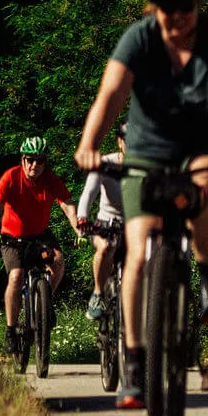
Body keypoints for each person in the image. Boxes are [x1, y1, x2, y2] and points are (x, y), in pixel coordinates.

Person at [74, 0, 208, 409]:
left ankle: (206, 280)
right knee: (138, 251)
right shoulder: (139, 40)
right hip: (149, 147)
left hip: (204, 140)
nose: (176, 18)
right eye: (166, 9)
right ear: (152, 8)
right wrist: (89, 143)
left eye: (185, 8)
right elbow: (112, 94)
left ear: (198, 4)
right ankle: (136, 364)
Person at [0, 136, 78, 356]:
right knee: (16, 276)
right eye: (30, 160)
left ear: (45, 163)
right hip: (12, 238)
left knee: (57, 261)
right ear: (23, 160)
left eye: (39, 161)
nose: (34, 165)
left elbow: (67, 206)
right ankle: (10, 331)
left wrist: (79, 230)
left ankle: (46, 303)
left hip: (40, 237)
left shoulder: (50, 179)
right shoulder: (11, 177)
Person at [75, 124, 127, 321]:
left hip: (133, 225)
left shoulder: (145, 166)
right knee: (106, 247)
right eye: (127, 140)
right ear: (120, 141)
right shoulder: (106, 163)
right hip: (106, 223)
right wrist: (82, 219)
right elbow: (88, 193)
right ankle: (97, 294)